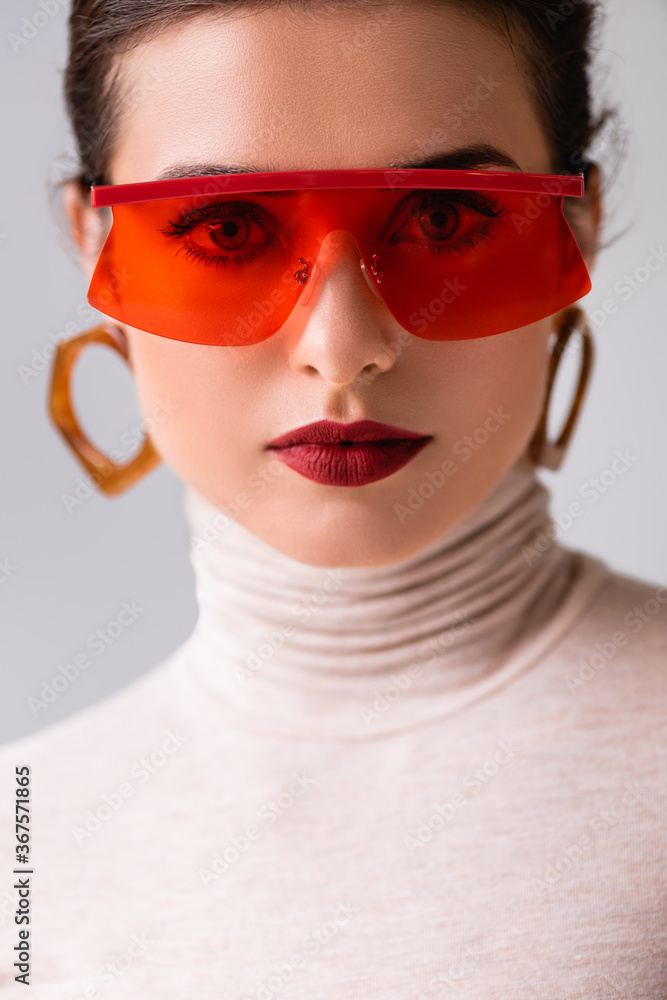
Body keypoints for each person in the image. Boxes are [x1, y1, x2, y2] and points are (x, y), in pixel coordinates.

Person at [1, 0, 665, 996]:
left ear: (578, 224)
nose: (343, 345)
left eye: (443, 217)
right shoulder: (25, 838)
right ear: (97, 254)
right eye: (227, 229)